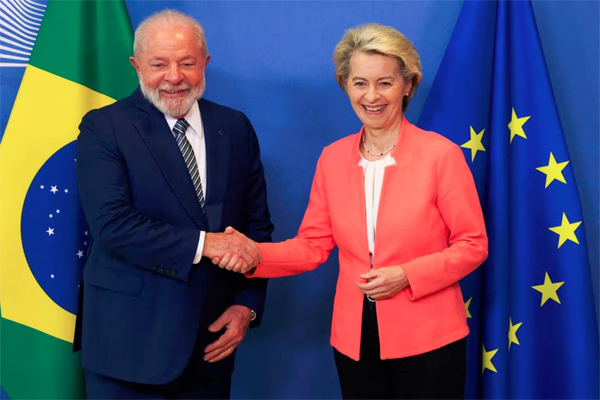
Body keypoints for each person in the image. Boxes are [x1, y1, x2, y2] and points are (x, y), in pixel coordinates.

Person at [216, 23, 488, 399]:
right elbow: (312, 245)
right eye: (360, 82)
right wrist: (254, 253)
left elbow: (472, 244)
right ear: (345, 84)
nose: (371, 95)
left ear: (408, 84)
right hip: (354, 339)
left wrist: (407, 274)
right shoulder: (332, 158)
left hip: (430, 341)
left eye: (385, 83)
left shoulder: (441, 156)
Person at [74, 9, 272, 399]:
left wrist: (246, 306)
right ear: (136, 66)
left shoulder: (234, 126)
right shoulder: (104, 127)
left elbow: (256, 227)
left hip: (211, 344)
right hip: (129, 344)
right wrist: (207, 244)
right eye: (159, 64)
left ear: (206, 63)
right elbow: (112, 225)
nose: (174, 76)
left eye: (187, 63)